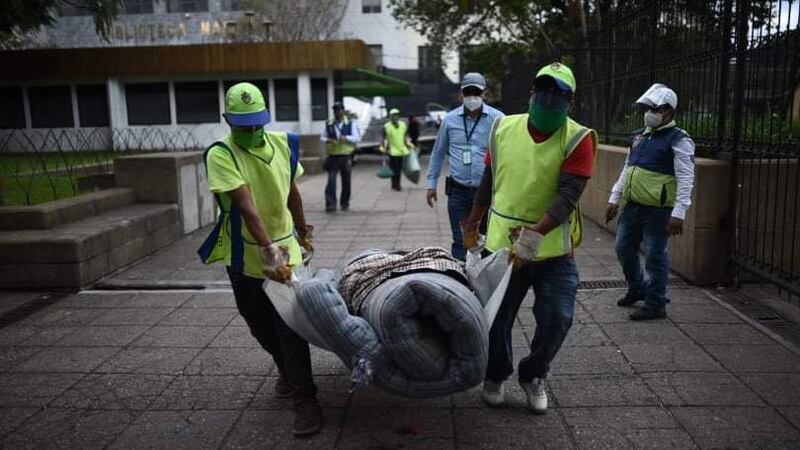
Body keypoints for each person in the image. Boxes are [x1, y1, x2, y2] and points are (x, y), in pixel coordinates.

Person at [462, 63, 596, 414]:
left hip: (552, 252)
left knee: (557, 318)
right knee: (496, 316)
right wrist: (473, 221)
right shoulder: (502, 128)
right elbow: (490, 179)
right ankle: (496, 373)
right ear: (531, 94)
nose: (549, 100)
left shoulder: (578, 138)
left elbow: (568, 195)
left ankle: (533, 374)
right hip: (502, 248)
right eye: (544, 91)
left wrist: (533, 238)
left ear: (570, 102)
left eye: (559, 94)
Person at [197, 82, 322, 436]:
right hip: (246, 253)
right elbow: (246, 208)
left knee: (289, 326)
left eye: (257, 124)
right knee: (257, 323)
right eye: (243, 126)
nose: (252, 131)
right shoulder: (222, 154)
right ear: (228, 121)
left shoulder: (284, 144)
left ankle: (306, 400)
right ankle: (286, 370)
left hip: (287, 249)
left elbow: (292, 191)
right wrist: (268, 252)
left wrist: (302, 229)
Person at [605, 83, 696, 321]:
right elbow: (627, 168)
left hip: (659, 211)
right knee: (623, 248)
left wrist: (679, 212)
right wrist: (614, 198)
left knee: (656, 256)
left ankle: (656, 303)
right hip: (633, 205)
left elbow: (686, 177)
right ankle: (637, 288)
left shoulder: (679, 139)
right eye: (647, 108)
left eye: (654, 109)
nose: (649, 113)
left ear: (668, 112)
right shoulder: (639, 135)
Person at [426, 72, 504, 260]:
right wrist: (431, 184)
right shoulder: (449, 120)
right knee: (460, 241)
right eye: (467, 92)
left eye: (476, 92)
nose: (471, 96)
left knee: (487, 241)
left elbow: (507, 153)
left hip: (487, 193)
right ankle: (461, 284)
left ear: (484, 93)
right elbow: (438, 152)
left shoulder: (499, 119)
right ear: (461, 94)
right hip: (458, 193)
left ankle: (485, 284)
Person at [321, 101, 361, 212]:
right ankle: (330, 204)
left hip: (346, 156)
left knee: (346, 181)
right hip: (333, 156)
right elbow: (322, 137)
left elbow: (357, 137)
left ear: (343, 111)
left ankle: (344, 203)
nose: (337, 112)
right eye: (335, 110)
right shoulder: (329, 124)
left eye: (339, 110)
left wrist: (347, 138)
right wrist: (328, 140)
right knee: (331, 180)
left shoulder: (350, 124)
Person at [381, 108, 412, 191]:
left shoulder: (403, 125)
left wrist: (409, 144)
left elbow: (406, 136)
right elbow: (384, 138)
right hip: (392, 151)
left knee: (399, 168)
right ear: (390, 116)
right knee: (394, 169)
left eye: (397, 115)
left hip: (401, 150)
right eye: (393, 115)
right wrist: (383, 146)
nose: (395, 117)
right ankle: (395, 184)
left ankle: (396, 184)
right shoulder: (386, 126)